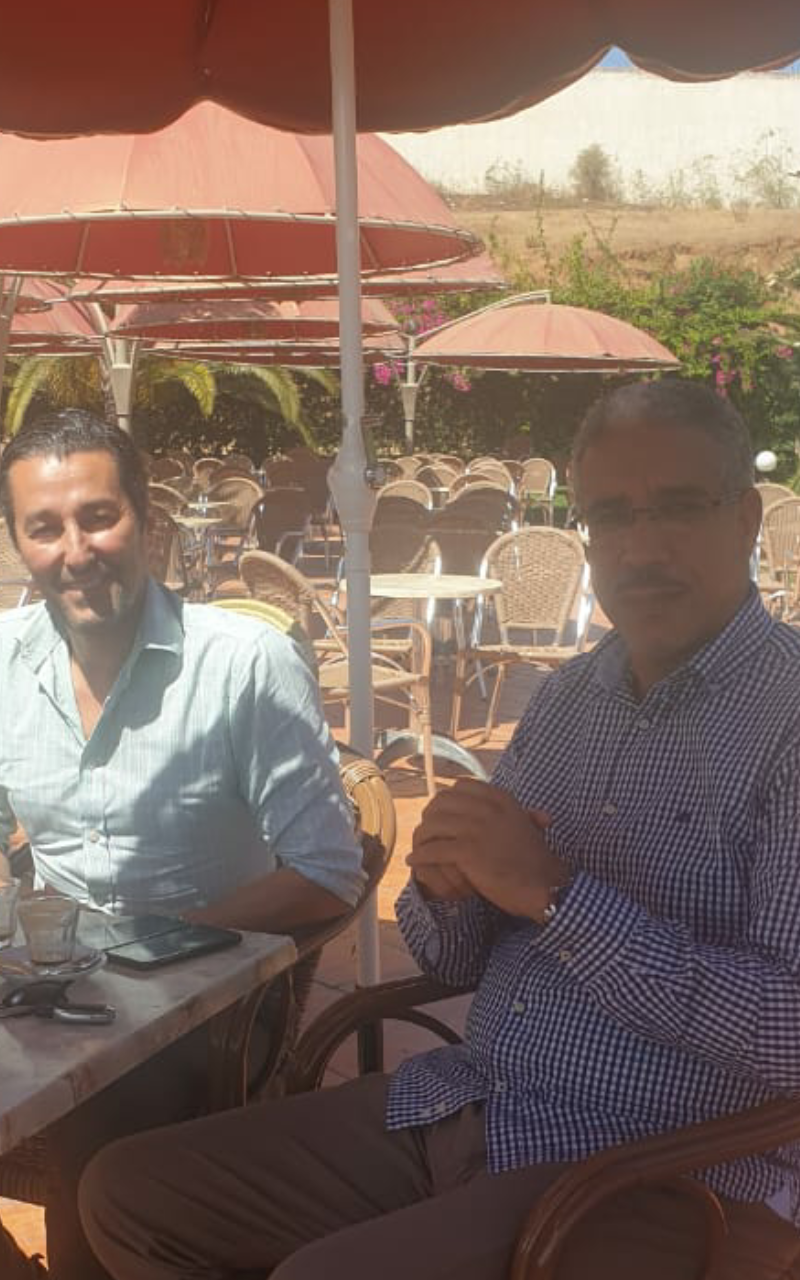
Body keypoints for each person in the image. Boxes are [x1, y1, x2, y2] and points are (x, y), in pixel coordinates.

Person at [79, 380, 800, 1280]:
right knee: (130, 1194)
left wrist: (556, 897)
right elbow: (450, 957)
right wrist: (443, 883)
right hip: (469, 1100)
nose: (641, 546)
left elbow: (788, 1033)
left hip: (660, 1171)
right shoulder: (569, 698)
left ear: (744, 518)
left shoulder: (786, 719)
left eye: (679, 507)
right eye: (611, 515)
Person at [0, 410, 364, 1279]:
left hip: (208, 1006)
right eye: (44, 528)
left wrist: (148, 946)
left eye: (99, 517)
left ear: (148, 523)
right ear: (17, 543)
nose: (75, 551)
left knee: (98, 1124)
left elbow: (327, 873)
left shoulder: (243, 663)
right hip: (44, 993)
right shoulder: (4, 662)